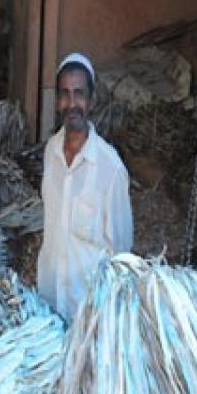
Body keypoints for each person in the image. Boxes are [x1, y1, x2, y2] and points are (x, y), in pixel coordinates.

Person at [38, 53, 134, 319]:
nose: (72, 103)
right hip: (47, 306)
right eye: (65, 94)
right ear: (57, 101)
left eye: (79, 94)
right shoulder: (51, 153)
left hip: (88, 314)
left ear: (91, 100)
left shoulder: (110, 169)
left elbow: (121, 252)